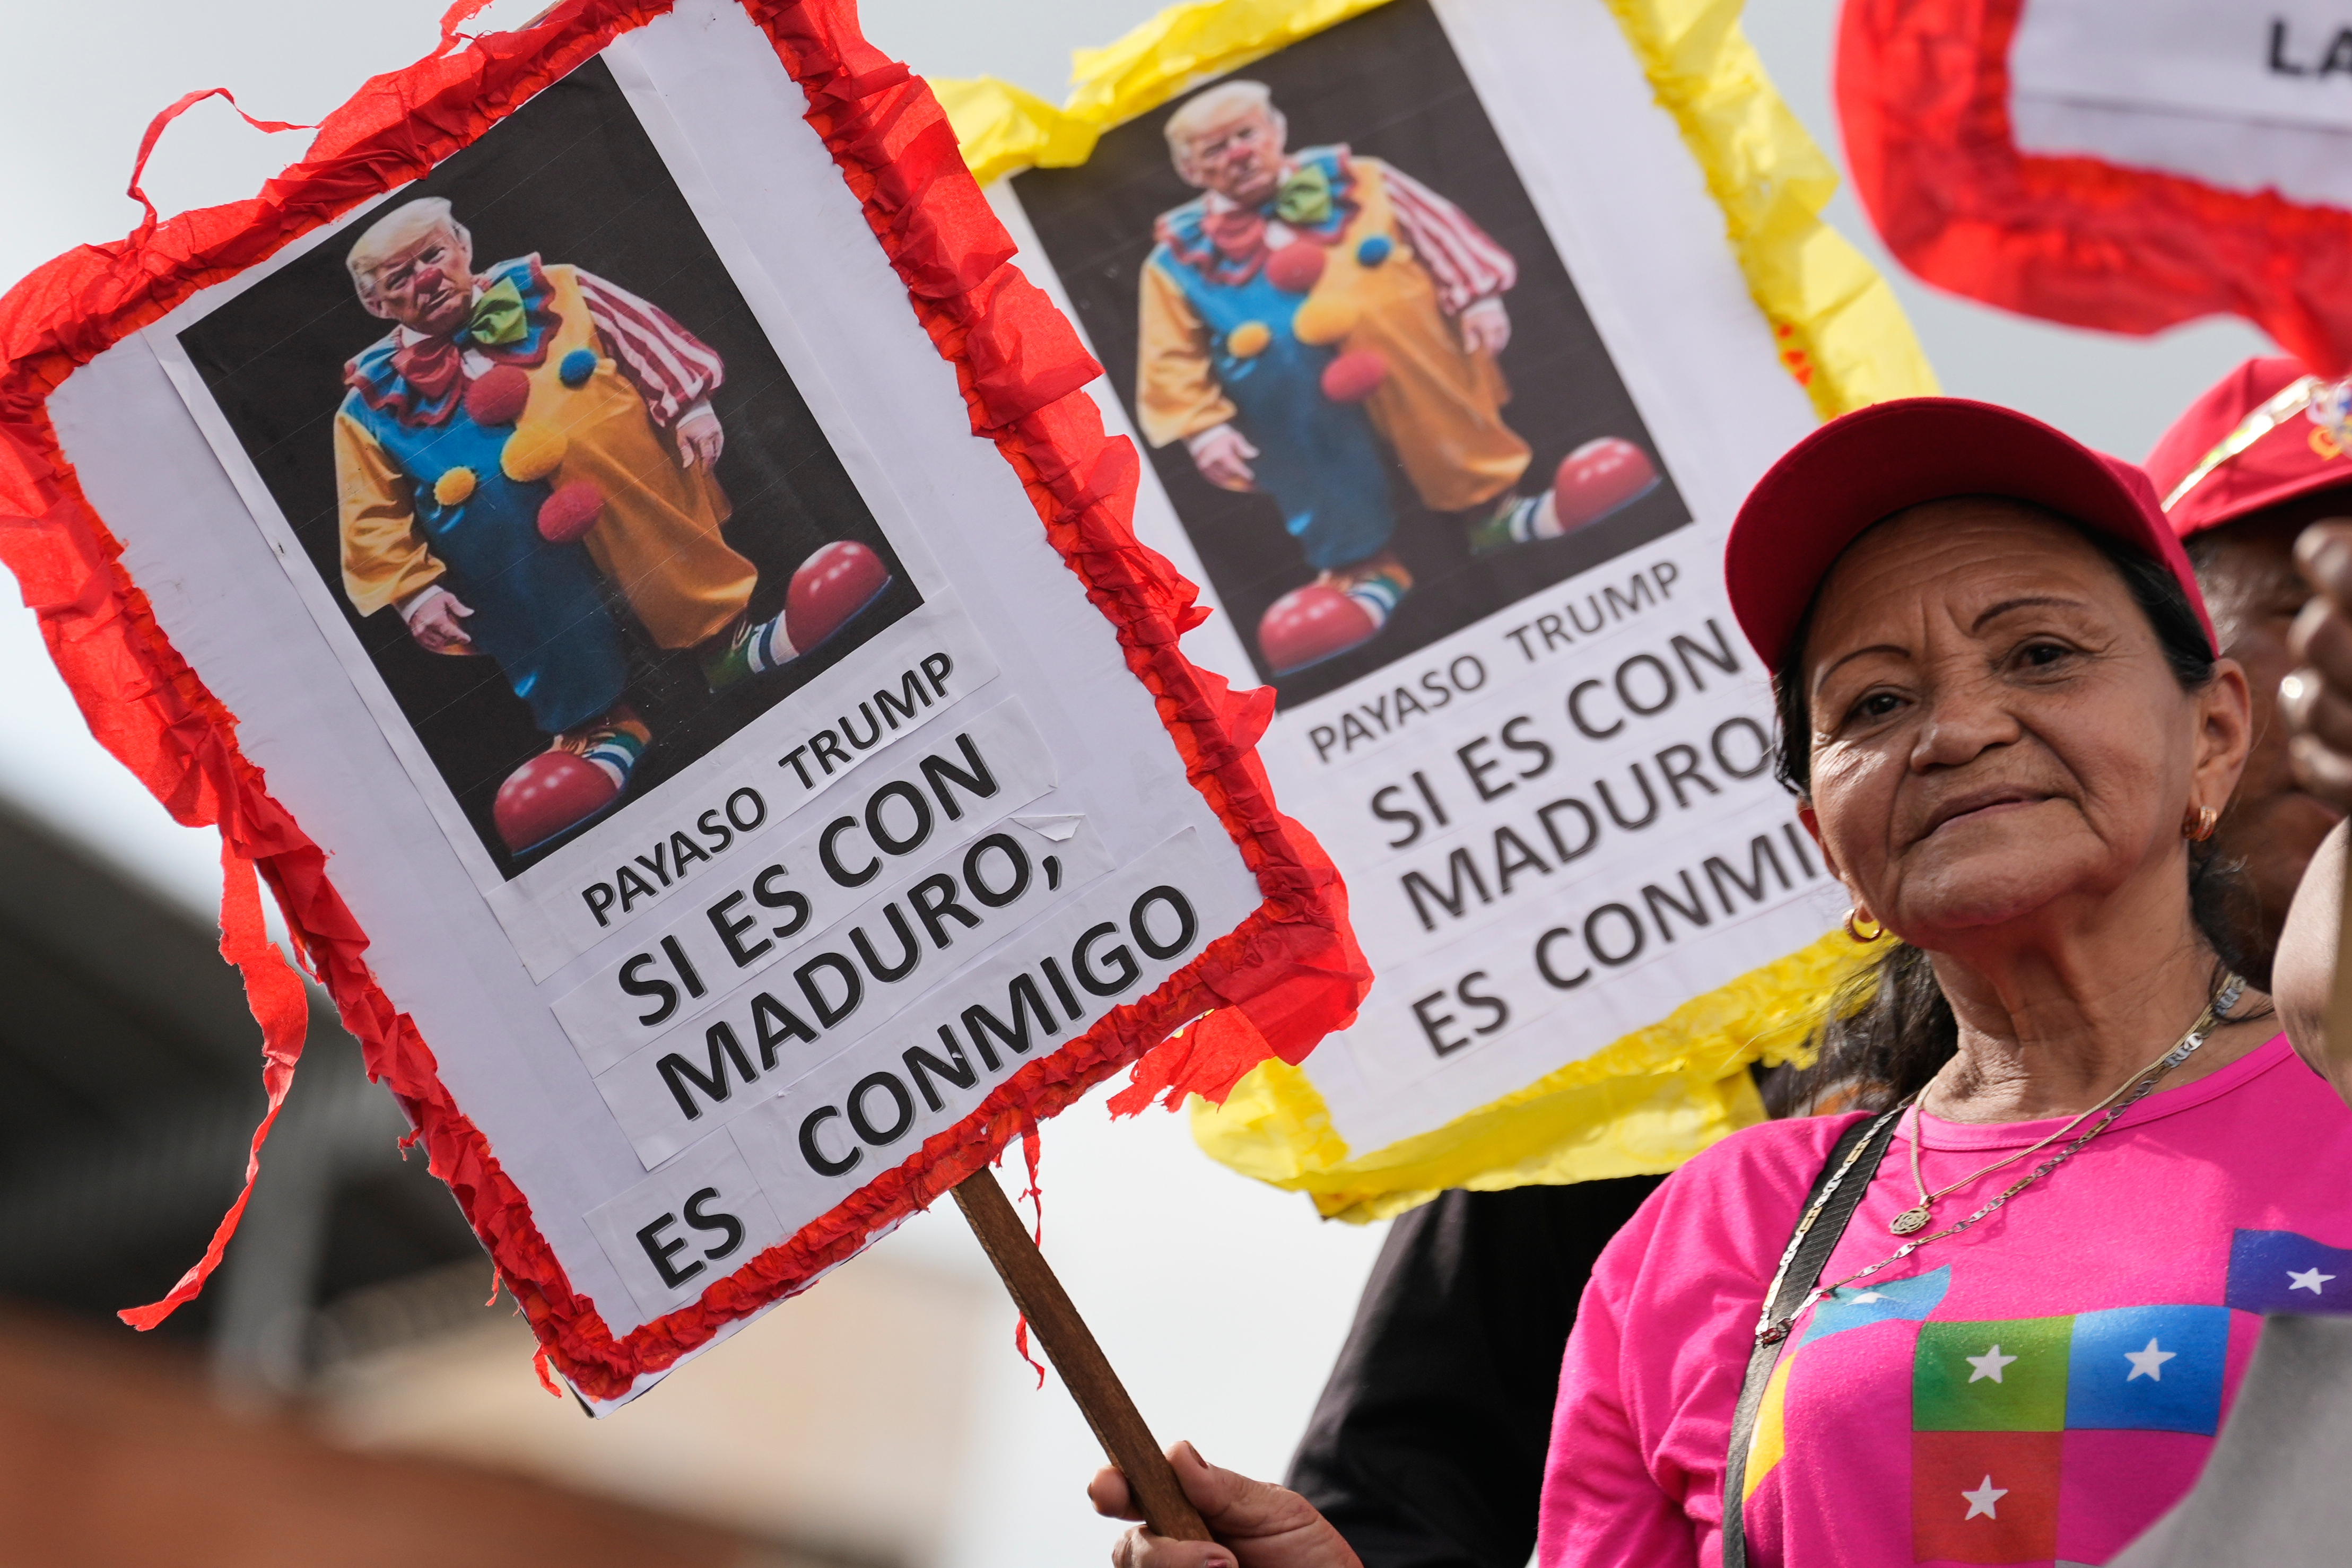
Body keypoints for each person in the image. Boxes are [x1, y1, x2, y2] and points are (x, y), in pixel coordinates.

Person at [1084, 395, 2352, 1567]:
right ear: (1827, 843)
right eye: (1873, 702)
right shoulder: (1714, 1227)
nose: (1956, 728)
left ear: (2215, 735)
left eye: (2038, 654)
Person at [334, 197, 879, 850]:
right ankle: (599, 731)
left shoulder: (555, 287)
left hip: (631, 488)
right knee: (541, 621)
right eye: (401, 277)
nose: (426, 278)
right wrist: (412, 590)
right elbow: (368, 509)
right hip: (507, 560)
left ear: (464, 247)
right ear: (377, 305)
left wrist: (690, 404)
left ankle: (732, 646)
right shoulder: (368, 403)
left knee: (668, 552)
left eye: (432, 255)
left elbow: (640, 331)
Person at [1135, 82, 1656, 675]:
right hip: (1291, 407)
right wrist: (1202, 428)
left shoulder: (1365, 180)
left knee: (1447, 415)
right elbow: (1168, 353)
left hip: (1416, 359)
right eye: (1214, 149)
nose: (1238, 154)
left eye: (1246, 135)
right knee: (1316, 469)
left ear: (1276, 130)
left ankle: (1497, 513)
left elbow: (1441, 232)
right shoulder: (1175, 259)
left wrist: (1478, 297)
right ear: (1188, 170)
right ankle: (1362, 572)